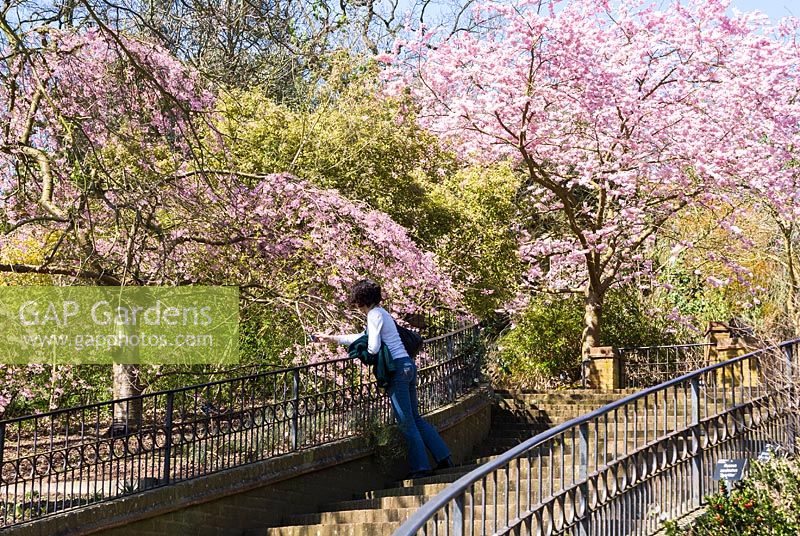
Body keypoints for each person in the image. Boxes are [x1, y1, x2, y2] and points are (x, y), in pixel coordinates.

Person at [313, 279, 454, 479]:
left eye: (357, 303)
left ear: (362, 300)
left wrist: (363, 353)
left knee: (406, 422)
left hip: (396, 369)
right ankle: (443, 457)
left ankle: (421, 468)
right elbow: (361, 336)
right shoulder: (382, 313)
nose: (357, 308)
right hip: (407, 365)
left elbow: (372, 347)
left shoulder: (373, 315)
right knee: (414, 417)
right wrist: (331, 339)